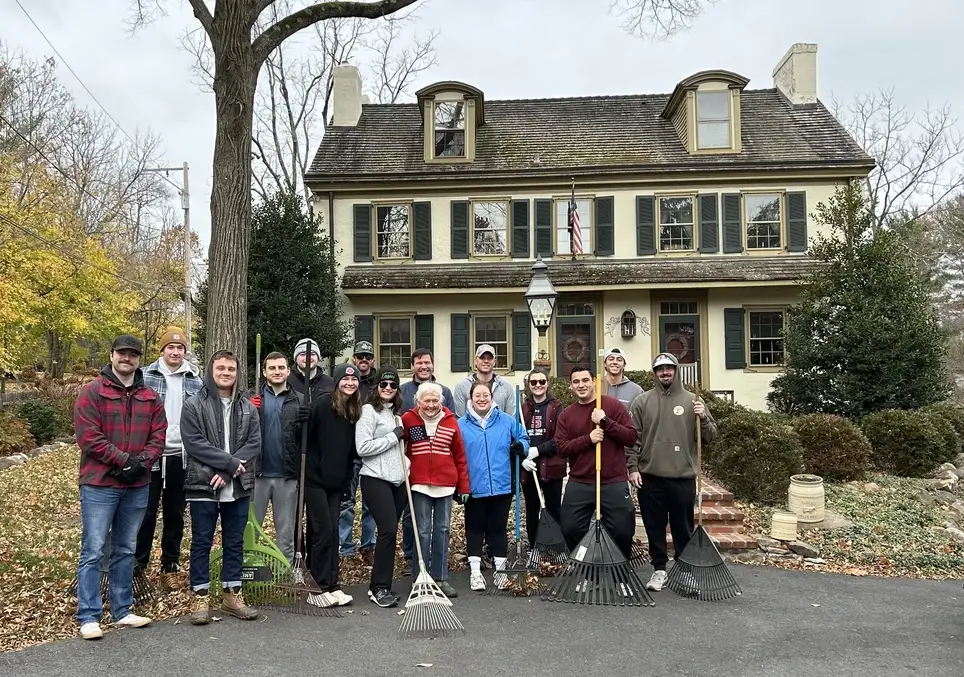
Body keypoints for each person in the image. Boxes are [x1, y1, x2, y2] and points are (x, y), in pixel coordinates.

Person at [73, 335, 167, 640]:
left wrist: (141, 463)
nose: (127, 359)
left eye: (133, 355)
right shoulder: (93, 392)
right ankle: (88, 615)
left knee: (126, 549)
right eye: (122, 354)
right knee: (94, 549)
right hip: (100, 483)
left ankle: (122, 610)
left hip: (137, 484)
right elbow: (88, 436)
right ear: (112, 355)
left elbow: (159, 435)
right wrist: (124, 461)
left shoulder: (150, 397)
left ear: (139, 359)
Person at [181, 349, 262, 625]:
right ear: (211, 371)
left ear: (237, 373)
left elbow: (254, 443)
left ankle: (232, 594)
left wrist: (229, 471)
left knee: (234, 541)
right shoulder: (194, 404)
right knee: (202, 541)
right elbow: (194, 443)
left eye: (231, 369)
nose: (226, 373)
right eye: (221, 368)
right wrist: (227, 464)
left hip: (237, 485)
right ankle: (200, 596)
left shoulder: (247, 407)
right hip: (203, 483)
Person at [628, 352, 717, 592]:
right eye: (660, 369)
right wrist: (632, 467)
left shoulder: (693, 401)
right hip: (650, 475)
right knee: (653, 526)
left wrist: (703, 418)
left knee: (682, 527)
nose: (665, 373)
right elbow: (632, 439)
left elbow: (709, 436)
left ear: (676, 371)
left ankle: (685, 571)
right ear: (654, 373)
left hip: (682, 476)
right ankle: (659, 570)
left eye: (669, 368)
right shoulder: (642, 402)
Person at [136, 326, 203, 590]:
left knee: (175, 514)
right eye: (170, 347)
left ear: (185, 351)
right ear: (162, 350)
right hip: (150, 457)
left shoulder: (195, 380)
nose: (175, 352)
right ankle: (138, 567)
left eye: (180, 348)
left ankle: (169, 566)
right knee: (145, 513)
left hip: (182, 457)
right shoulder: (145, 376)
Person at [555, 366, 638, 561]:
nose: (581, 385)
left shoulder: (612, 406)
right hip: (580, 480)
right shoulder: (567, 414)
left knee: (622, 530)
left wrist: (606, 421)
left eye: (585, 380)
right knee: (570, 527)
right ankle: (586, 567)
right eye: (576, 382)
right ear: (571, 387)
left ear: (594, 381)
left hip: (612, 480)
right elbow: (561, 448)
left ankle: (620, 574)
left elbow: (631, 437)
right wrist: (588, 439)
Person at [400, 382, 469, 598]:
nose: (431, 405)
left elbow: (459, 456)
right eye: (426, 401)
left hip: (446, 485)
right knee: (421, 530)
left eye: (435, 400)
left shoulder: (451, 422)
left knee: (442, 530)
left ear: (441, 401)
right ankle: (420, 577)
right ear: (418, 402)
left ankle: (440, 577)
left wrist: (464, 486)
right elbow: (401, 450)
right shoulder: (408, 420)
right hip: (419, 483)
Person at [459, 381, 530, 592]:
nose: (482, 399)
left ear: (492, 397)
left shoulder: (506, 421)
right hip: (475, 486)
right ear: (470, 398)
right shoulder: (461, 424)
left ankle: (500, 570)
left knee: (498, 528)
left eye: (486, 395)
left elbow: (524, 438)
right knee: (475, 528)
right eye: (477, 395)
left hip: (502, 484)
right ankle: (475, 572)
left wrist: (521, 447)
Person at [303, 363, 362, 609]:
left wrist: (347, 479)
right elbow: (304, 440)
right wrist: (300, 424)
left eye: (354, 380)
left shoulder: (353, 411)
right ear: (337, 382)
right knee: (322, 531)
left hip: (336, 482)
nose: (349, 383)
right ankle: (316, 587)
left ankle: (333, 584)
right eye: (345, 380)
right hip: (315, 480)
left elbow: (350, 451)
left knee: (334, 531)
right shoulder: (321, 405)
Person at [398, 348, 455, 573]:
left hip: (441, 471)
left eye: (427, 363)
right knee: (412, 519)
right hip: (415, 469)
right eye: (419, 363)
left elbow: (450, 425)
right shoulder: (403, 391)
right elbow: (404, 426)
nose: (424, 366)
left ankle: (439, 571)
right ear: (413, 366)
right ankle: (413, 558)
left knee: (440, 526)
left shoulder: (445, 392)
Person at [354, 365, 407, 608]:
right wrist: (393, 437)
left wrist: (406, 464)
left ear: (397, 390)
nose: (388, 388)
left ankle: (383, 582)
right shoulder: (368, 412)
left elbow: (399, 450)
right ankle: (379, 587)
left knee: (390, 532)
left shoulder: (396, 415)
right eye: (383, 384)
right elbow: (362, 448)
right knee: (387, 530)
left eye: (392, 385)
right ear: (376, 387)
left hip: (398, 481)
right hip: (375, 478)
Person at [248, 351, 309, 564]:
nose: (277, 371)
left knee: (285, 530)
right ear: (264, 372)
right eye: (272, 368)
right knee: (251, 528)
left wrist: (307, 421)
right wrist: (247, 410)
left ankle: (286, 573)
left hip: (287, 476)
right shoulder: (252, 398)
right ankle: (249, 571)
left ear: (288, 371)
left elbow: (307, 440)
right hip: (257, 475)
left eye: (281, 367)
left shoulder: (300, 401)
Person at [338, 342, 377, 562]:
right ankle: (345, 547)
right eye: (360, 356)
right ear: (354, 358)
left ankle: (368, 546)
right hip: (349, 453)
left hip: (371, 454)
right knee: (346, 503)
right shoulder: (346, 381)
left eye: (368, 356)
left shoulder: (378, 384)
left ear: (372, 359)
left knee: (371, 504)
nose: (364, 360)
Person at [520, 367, 566, 546]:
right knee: (532, 509)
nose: (538, 385)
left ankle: (556, 547)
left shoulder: (556, 407)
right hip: (529, 468)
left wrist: (537, 450)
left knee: (554, 508)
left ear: (547, 384)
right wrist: (523, 456)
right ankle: (534, 547)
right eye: (534, 382)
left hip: (551, 467)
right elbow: (516, 437)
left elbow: (560, 439)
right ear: (529, 385)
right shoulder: (523, 408)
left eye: (542, 382)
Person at [452, 344, 515, 418]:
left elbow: (510, 419)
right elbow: (460, 419)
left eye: (489, 358)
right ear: (475, 361)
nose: (486, 361)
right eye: (482, 358)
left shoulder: (506, 387)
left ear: (494, 362)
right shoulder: (462, 387)